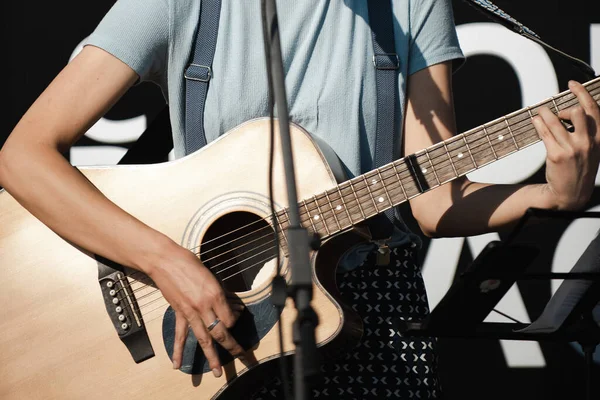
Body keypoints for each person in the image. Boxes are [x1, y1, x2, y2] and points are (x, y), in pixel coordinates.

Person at [1, 0, 599, 399]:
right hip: (209, 320)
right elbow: (22, 155)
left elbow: (432, 201)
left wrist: (551, 195)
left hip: (374, 317)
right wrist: (166, 261)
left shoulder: (414, 3)